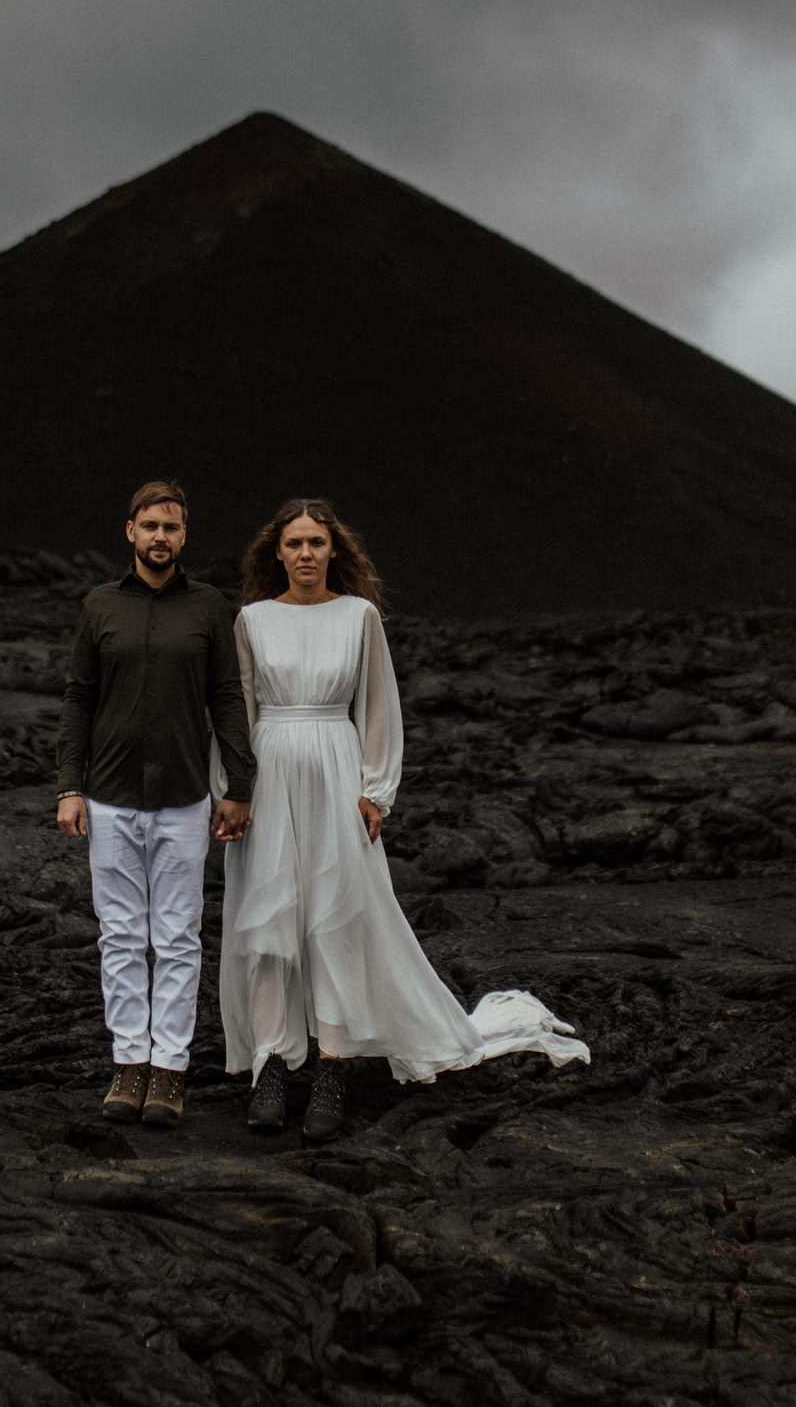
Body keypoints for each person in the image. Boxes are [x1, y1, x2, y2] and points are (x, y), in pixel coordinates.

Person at [216, 497, 588, 1141]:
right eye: (294, 543)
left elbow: (379, 706)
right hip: (271, 772)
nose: (305, 553)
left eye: (317, 543)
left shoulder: (359, 616)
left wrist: (376, 790)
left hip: (336, 767)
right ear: (276, 553)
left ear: (334, 551)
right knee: (267, 921)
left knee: (336, 917)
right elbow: (239, 710)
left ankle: (331, 1065)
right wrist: (233, 790)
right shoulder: (250, 620)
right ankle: (270, 1064)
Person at [55, 481, 256, 1129]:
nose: (160, 536)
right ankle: (128, 1062)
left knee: (175, 936)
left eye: (171, 526)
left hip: (183, 798)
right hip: (109, 798)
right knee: (118, 934)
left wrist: (239, 787)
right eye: (150, 526)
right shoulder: (99, 605)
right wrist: (68, 785)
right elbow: (78, 697)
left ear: (183, 535)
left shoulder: (207, 608)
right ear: (130, 531)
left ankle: (168, 1070)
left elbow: (227, 695)